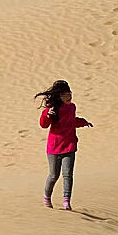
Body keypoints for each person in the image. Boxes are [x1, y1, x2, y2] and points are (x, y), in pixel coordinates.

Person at [36, 80, 93, 210]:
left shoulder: (72, 107)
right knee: (54, 175)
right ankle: (47, 197)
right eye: (65, 95)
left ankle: (66, 201)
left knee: (68, 174)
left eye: (69, 93)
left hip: (69, 145)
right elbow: (43, 125)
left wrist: (83, 122)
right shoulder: (53, 109)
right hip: (54, 147)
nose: (69, 97)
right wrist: (47, 115)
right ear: (59, 96)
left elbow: (71, 122)